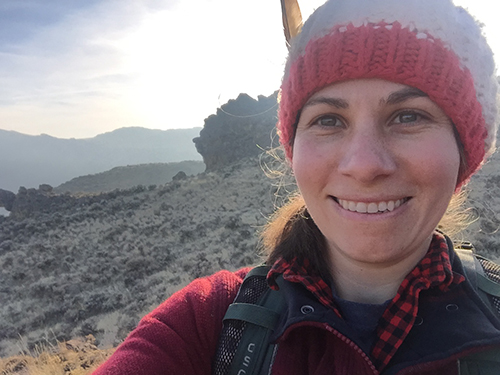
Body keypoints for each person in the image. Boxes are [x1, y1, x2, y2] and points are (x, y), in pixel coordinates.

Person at [92, 0, 500, 374]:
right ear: (294, 150)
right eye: (328, 120)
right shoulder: (209, 322)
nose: (364, 165)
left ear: (463, 151)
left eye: (408, 116)